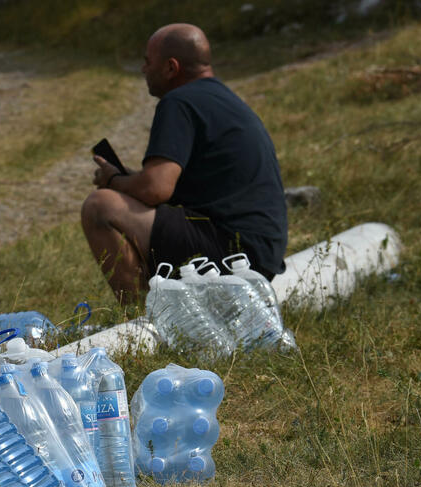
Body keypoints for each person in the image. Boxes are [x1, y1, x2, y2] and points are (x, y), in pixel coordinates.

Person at [81, 23, 287, 305]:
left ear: (171, 67)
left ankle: (140, 322)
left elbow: (156, 189)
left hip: (233, 249)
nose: (143, 70)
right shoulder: (222, 98)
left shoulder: (179, 102)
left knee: (100, 206)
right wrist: (128, 178)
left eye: (147, 61)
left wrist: (113, 182)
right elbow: (171, 183)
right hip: (261, 251)